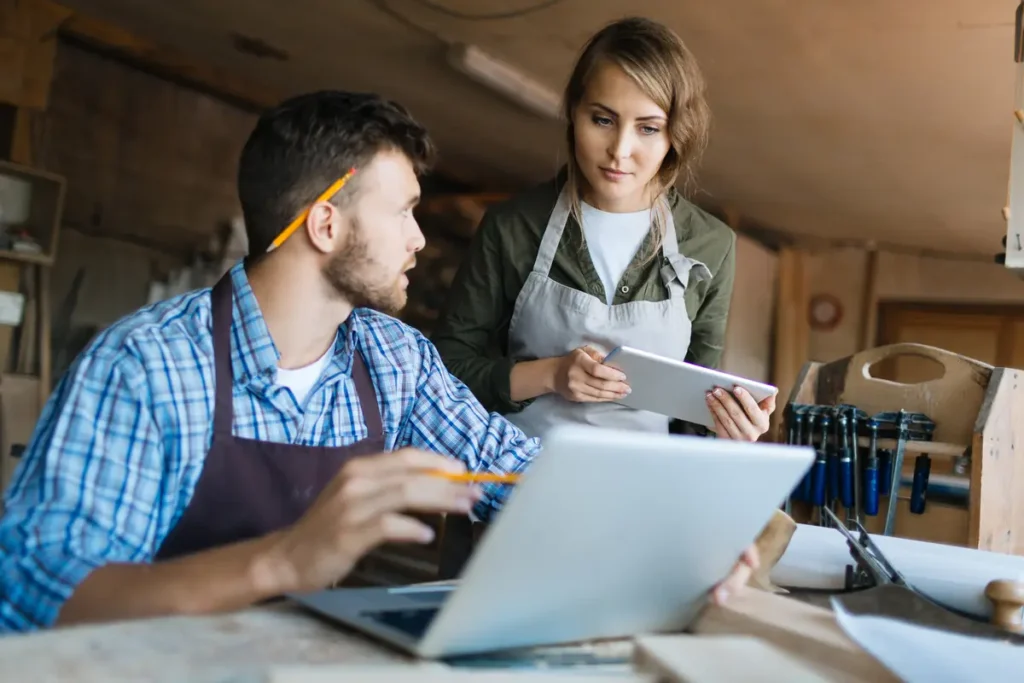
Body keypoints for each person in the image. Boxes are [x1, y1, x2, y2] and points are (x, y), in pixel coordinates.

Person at [0, 90, 756, 634]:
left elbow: (521, 475)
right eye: (402, 211)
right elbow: (35, 594)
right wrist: (280, 562)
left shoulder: (391, 358)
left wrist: (684, 542)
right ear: (325, 222)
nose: (419, 239)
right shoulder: (147, 365)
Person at [431, 17, 776, 442]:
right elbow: (446, 369)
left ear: (675, 135)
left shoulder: (711, 244)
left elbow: (691, 411)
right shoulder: (513, 226)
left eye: (648, 128)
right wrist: (551, 375)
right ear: (574, 113)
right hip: (517, 480)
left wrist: (729, 426)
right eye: (602, 120)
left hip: (641, 492)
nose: (620, 151)